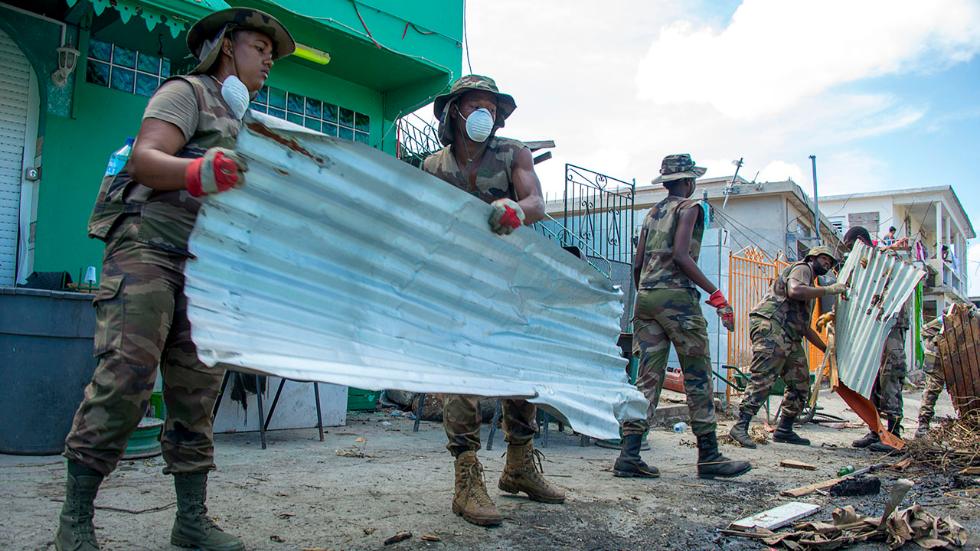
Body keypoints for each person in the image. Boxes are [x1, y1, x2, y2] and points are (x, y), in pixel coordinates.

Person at [57, 9, 294, 551]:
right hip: (148, 247)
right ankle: (74, 520)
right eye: (261, 48)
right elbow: (145, 159)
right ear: (228, 47)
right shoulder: (185, 92)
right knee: (127, 379)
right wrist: (195, 171)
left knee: (197, 391)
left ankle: (191, 520)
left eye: (272, 55)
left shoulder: (248, 124)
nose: (268, 62)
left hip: (205, 264)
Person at [421, 75, 563, 527]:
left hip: (508, 282)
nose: (485, 113)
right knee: (460, 374)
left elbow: (536, 199)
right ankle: (466, 475)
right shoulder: (432, 166)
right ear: (454, 111)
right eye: (475, 105)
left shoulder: (512, 154)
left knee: (520, 369)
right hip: (455, 284)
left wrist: (518, 209)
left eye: (491, 106)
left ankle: (519, 465)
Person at [613, 154, 750, 481]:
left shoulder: (651, 213)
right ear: (688, 182)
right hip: (677, 298)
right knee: (697, 372)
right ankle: (709, 455)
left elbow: (637, 264)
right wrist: (715, 294)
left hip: (645, 297)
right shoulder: (690, 208)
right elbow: (681, 254)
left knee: (646, 377)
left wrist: (648, 296)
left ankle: (629, 454)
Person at [729, 245, 846, 448]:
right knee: (764, 377)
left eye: (830, 262)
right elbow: (794, 290)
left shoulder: (810, 283)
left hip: (789, 334)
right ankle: (740, 426)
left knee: (800, 381)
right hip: (772, 326)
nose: (827, 264)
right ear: (813, 257)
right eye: (824, 259)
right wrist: (827, 290)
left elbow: (804, 327)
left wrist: (826, 348)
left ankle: (784, 429)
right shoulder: (803, 269)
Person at [843, 226, 911, 452]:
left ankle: (893, 434)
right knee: (871, 379)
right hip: (871, 328)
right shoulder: (864, 266)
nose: (851, 253)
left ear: (861, 241)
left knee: (890, 375)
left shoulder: (886, 259)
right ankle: (876, 431)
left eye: (852, 247)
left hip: (890, 327)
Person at [915, 317, 947, 438]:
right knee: (932, 388)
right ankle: (923, 424)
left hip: (955, 349)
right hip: (936, 350)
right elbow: (925, 331)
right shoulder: (949, 316)